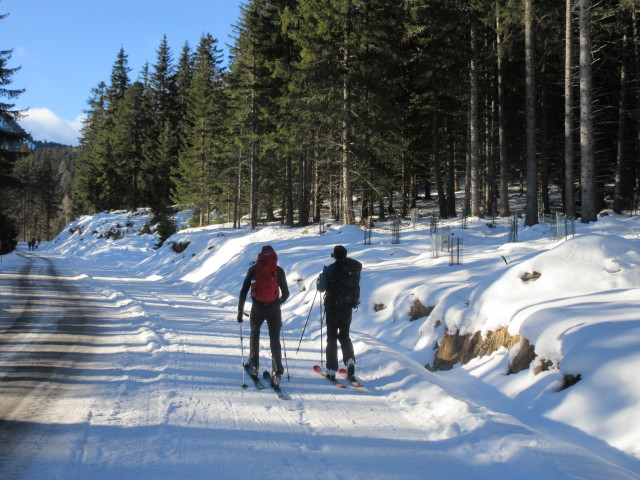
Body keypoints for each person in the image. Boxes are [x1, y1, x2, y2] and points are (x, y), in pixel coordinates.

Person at [238, 245, 289, 386]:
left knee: (255, 335)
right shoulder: (278, 271)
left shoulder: (254, 270)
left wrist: (240, 311)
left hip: (257, 308)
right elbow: (286, 293)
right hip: (274, 308)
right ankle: (277, 372)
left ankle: (254, 367)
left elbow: (243, 291)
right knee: (275, 339)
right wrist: (279, 302)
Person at [317, 245, 362, 381]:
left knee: (331, 338)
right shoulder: (353, 269)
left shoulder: (330, 269)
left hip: (332, 308)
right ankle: (350, 362)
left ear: (334, 256)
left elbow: (321, 288)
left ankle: (331, 370)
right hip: (347, 307)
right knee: (344, 336)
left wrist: (319, 280)